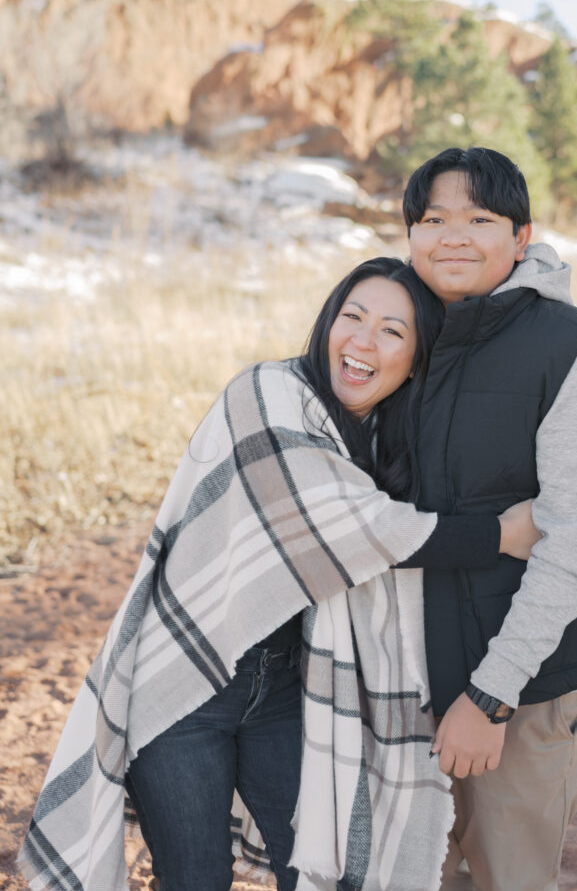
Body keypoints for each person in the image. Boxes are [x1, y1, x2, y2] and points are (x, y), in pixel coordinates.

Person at [19, 257, 541, 891]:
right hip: (187, 685)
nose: (362, 341)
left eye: (392, 331)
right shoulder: (266, 395)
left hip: (295, 684)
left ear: (416, 357)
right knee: (196, 879)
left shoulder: (385, 438)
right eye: (352, 317)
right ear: (327, 322)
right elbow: (361, 528)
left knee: (331, 872)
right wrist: (502, 536)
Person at [402, 148, 577, 891]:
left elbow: (574, 543)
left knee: (507, 874)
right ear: (408, 234)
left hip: (525, 680)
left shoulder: (572, 349)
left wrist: (490, 695)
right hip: (401, 672)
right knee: (404, 871)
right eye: (433, 219)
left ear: (521, 235)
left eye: (479, 219)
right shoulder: (389, 337)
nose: (453, 237)